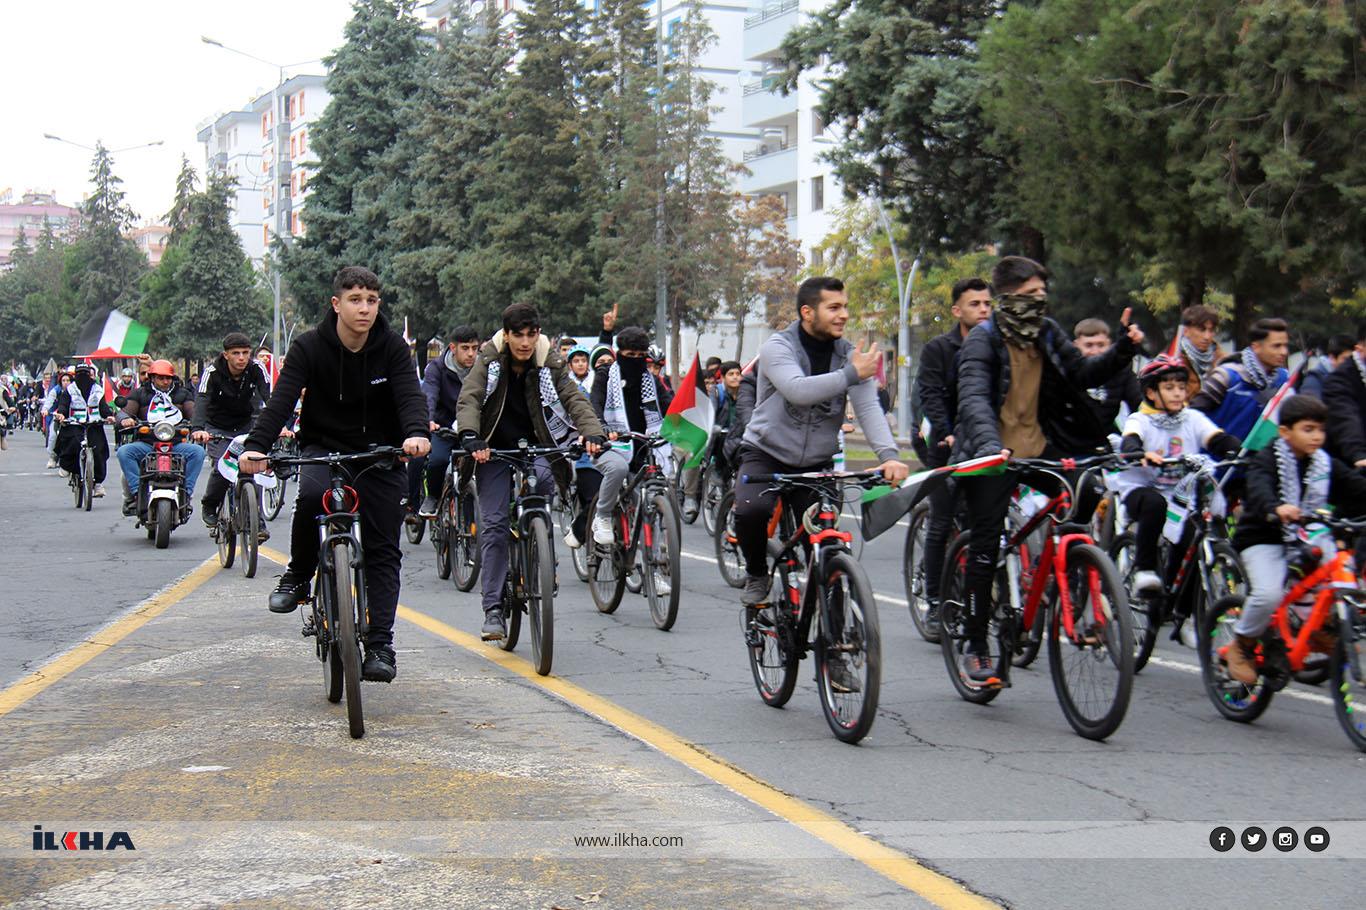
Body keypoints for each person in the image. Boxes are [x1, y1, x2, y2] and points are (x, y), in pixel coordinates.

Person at [951, 256, 1144, 684]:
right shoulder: (982, 341)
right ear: (1007, 298)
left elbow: (1082, 371)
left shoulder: (1046, 332)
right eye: (1030, 295)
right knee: (985, 545)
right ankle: (976, 642)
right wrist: (989, 447)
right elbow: (975, 400)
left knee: (1086, 490)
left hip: (1039, 447)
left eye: (1043, 294)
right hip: (991, 454)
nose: (1040, 302)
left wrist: (1124, 349)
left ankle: (1072, 567)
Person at [238, 266, 431, 684]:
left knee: (383, 549)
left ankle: (380, 643)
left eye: (372, 300)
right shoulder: (310, 347)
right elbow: (282, 399)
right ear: (336, 304)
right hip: (324, 448)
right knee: (311, 497)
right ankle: (299, 573)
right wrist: (257, 445)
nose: (365, 309)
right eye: (356, 300)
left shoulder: (393, 347)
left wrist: (415, 434)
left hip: (381, 452)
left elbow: (409, 397)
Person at [734, 276, 910, 609]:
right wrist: (851, 374)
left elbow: (868, 407)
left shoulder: (848, 355)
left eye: (845, 307)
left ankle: (837, 644)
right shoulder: (777, 347)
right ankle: (757, 572)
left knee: (826, 545)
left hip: (817, 462)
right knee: (750, 511)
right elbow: (797, 390)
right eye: (833, 307)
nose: (843, 314)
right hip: (766, 453)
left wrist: (888, 455)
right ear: (807, 312)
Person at [456, 302, 620, 641]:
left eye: (532, 335)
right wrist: (471, 437)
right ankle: (493, 609)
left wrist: (592, 431)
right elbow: (470, 398)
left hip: (538, 445)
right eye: (519, 335)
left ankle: (541, 555)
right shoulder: (489, 358)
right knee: (496, 524)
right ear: (507, 335)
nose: (526, 342)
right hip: (493, 449)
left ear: (538, 334)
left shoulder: (549, 360)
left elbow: (573, 398)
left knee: (544, 484)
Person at [1224, 394, 1366, 684]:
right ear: (1285, 432)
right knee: (1268, 594)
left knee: (1343, 576)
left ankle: (1321, 628)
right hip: (1263, 538)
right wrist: (1276, 507)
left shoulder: (1325, 464)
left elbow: (1357, 489)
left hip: (1310, 537)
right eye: (1308, 429)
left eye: (1320, 430)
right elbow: (1259, 487)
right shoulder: (1267, 458)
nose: (1317, 437)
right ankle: (1241, 645)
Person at [1112, 355, 1241, 596]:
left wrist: (1240, 450)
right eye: (1169, 388)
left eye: (1182, 388)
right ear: (1151, 393)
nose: (1178, 394)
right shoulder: (1140, 419)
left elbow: (1217, 439)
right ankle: (1145, 570)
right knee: (1154, 503)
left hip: (1183, 494)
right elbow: (1131, 441)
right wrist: (1140, 453)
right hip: (1142, 489)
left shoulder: (1192, 418)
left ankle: (1178, 606)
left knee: (1191, 540)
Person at [912, 277, 992, 627]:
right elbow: (930, 396)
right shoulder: (938, 349)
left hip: (983, 445)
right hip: (945, 446)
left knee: (984, 524)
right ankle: (933, 602)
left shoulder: (996, 347)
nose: (984, 310)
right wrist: (944, 434)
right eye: (975, 304)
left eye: (988, 304)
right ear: (957, 310)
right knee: (941, 523)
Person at [191, 332, 273, 535]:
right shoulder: (212, 371)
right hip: (217, 427)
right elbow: (202, 400)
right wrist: (198, 429)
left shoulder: (257, 368)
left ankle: (256, 522)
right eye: (236, 353)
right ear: (225, 355)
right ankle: (210, 504)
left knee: (251, 469)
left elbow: (272, 397)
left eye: (246, 353)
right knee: (223, 465)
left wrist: (280, 424)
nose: (242, 358)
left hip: (246, 424)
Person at [115, 360, 206, 517]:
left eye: (168, 378)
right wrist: (124, 419)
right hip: (147, 444)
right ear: (152, 378)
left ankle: (187, 492)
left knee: (198, 452)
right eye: (161, 378)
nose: (165, 381)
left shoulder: (183, 394)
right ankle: (138, 494)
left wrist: (198, 428)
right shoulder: (140, 393)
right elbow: (125, 411)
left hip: (176, 444)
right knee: (124, 452)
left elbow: (194, 413)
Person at [1191, 317, 1290, 441]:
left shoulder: (1284, 379)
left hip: (1261, 458)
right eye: (1276, 346)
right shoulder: (1226, 376)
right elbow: (1193, 415)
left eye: (1285, 346)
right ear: (1256, 347)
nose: (1284, 352)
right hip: (1218, 458)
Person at [416, 325, 480, 517]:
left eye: (475, 348)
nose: (471, 354)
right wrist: (428, 420)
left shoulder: (481, 369)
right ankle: (433, 498)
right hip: (443, 427)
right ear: (453, 348)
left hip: (472, 427)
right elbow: (430, 395)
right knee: (437, 460)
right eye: (465, 348)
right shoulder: (436, 368)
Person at [52, 363, 114, 492]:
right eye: (80, 374)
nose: (83, 377)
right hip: (75, 423)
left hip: (93, 424)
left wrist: (109, 416)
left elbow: (103, 407)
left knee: (99, 451)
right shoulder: (70, 389)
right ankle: (68, 467)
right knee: (72, 442)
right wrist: (61, 415)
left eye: (86, 374)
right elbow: (63, 405)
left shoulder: (97, 389)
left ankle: (97, 484)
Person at [1074, 317, 1141, 433]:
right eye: (1088, 345)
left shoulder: (1122, 371)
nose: (1095, 351)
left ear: (1109, 345)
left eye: (1100, 345)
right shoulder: (1065, 370)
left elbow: (1139, 404)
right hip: (1070, 439)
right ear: (1076, 345)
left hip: (1108, 437)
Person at [1323, 323, 1366, 469]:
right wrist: (1358, 454)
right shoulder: (1339, 379)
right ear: (1360, 348)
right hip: (1351, 466)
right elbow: (1345, 418)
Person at [1176, 304, 1227, 398]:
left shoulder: (1223, 361)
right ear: (1186, 331)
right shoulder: (1174, 360)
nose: (1207, 337)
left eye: (1211, 330)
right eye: (1201, 330)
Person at [1299, 333, 1354, 400]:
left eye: (1353, 359)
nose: (1350, 363)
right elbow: (1309, 407)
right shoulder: (1314, 380)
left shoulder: (1353, 377)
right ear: (1332, 358)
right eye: (1345, 359)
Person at [647, 345, 675, 413]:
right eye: (648, 366)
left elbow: (672, 405)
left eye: (656, 368)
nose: (652, 371)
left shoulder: (664, 382)